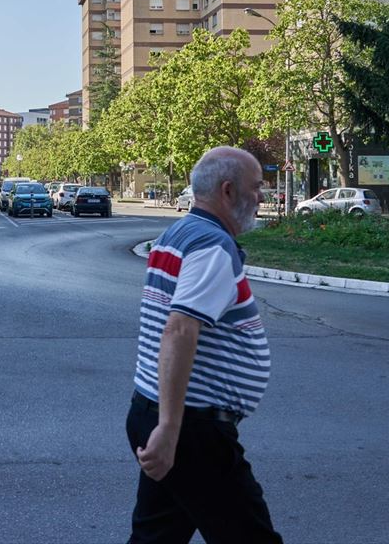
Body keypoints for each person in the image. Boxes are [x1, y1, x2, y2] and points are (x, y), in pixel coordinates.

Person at [126, 146, 282, 544]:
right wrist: (171, 428)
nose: (262, 196)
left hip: (158, 414)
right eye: (257, 187)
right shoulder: (213, 246)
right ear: (228, 191)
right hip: (192, 428)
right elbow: (180, 330)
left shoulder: (175, 234)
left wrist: (163, 425)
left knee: (156, 538)